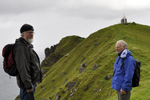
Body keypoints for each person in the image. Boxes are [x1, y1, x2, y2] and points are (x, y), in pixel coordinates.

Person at [13, 24, 42, 100]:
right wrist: (28, 85)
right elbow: (22, 67)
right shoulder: (21, 47)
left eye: (32, 32)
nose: (32, 34)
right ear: (22, 34)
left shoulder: (27, 46)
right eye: (29, 32)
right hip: (27, 84)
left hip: (30, 82)